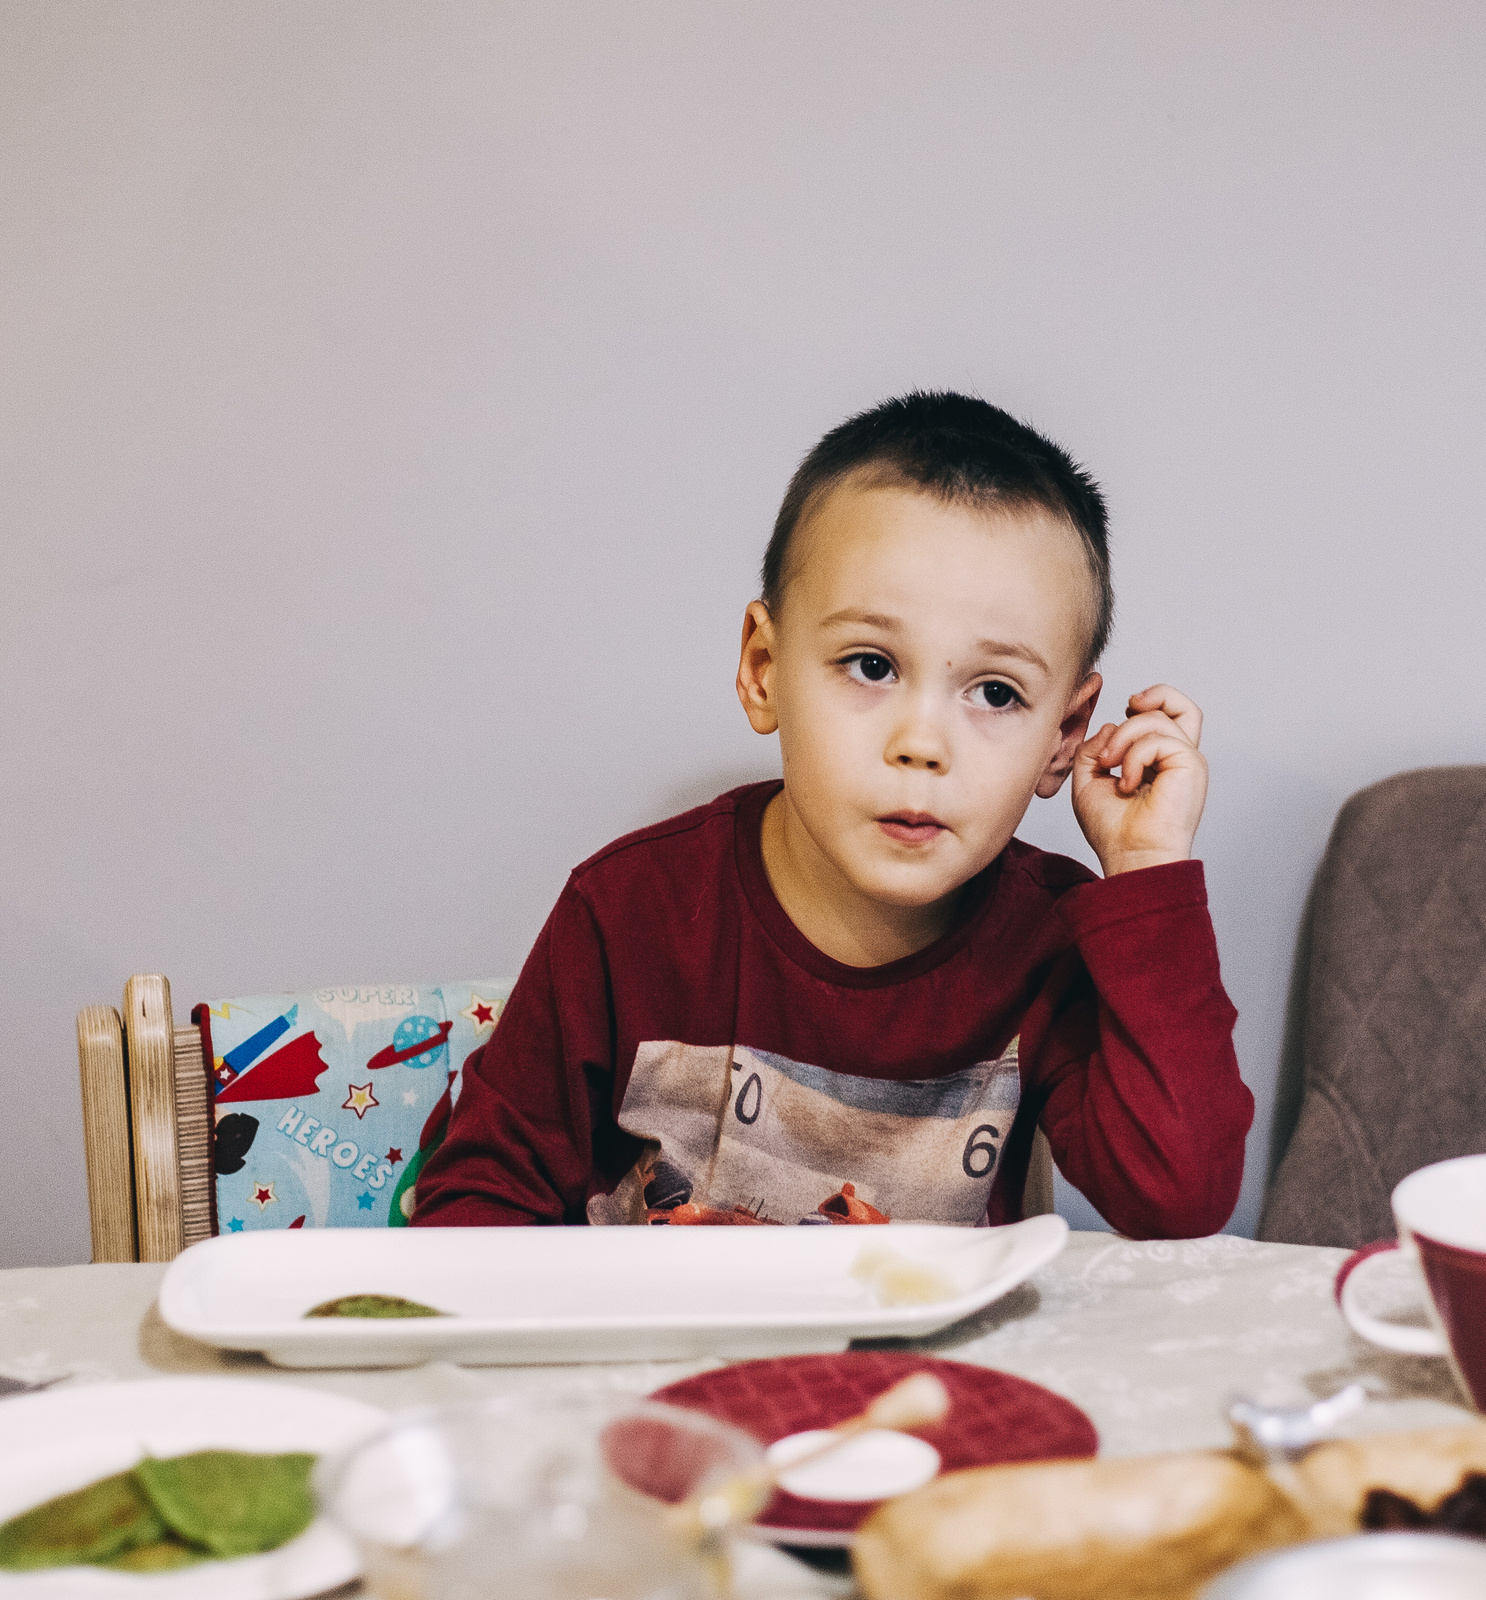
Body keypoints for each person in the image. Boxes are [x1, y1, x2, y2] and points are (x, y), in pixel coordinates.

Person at [411, 392, 1252, 1237]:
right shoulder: (629, 909)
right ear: (764, 667)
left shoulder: (1048, 943)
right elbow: (474, 1206)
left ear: (1065, 733)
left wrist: (1147, 869)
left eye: (995, 692)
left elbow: (1176, 1197)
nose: (922, 743)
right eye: (872, 664)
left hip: (913, 1367)